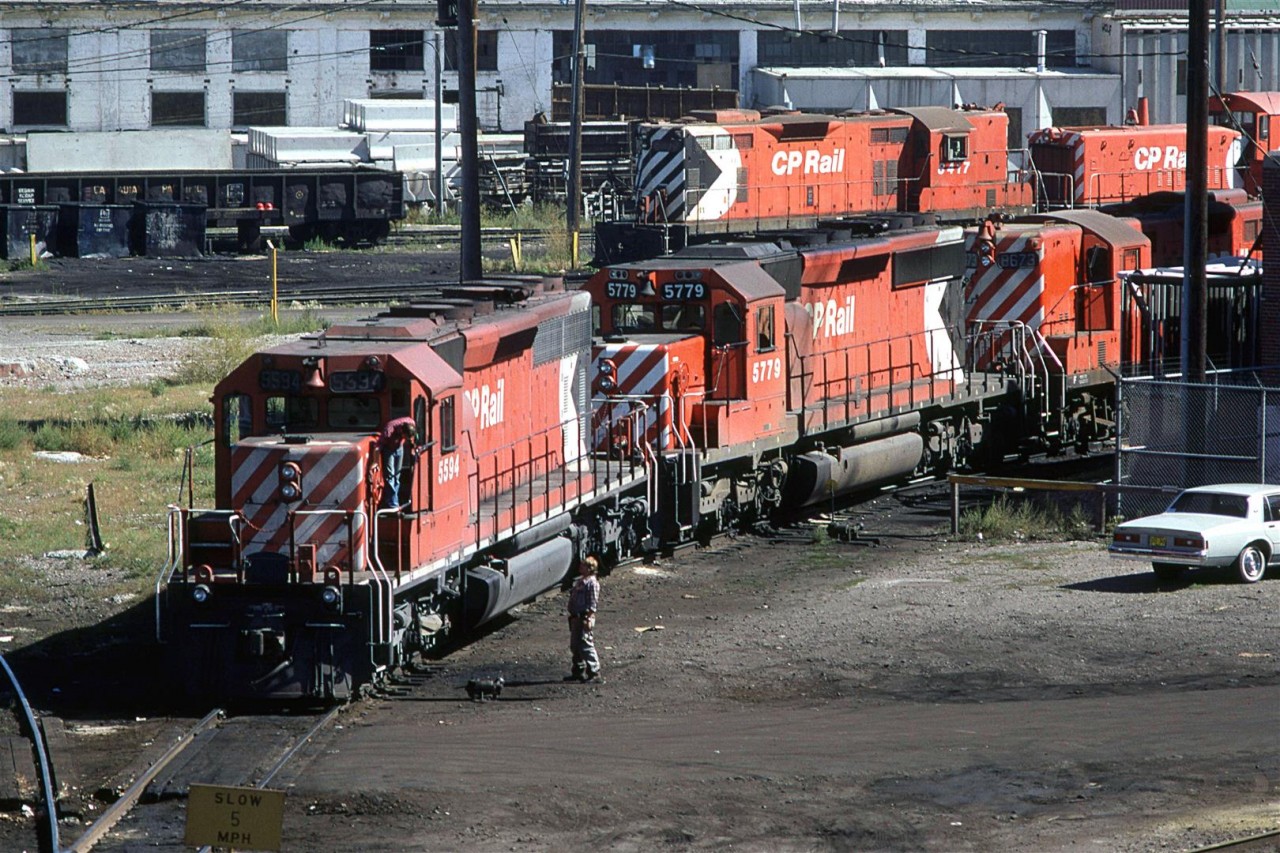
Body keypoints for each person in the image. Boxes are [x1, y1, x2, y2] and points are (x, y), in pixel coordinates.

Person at [565, 556, 602, 683]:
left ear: (590, 568)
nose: (580, 567)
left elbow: (593, 603)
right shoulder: (581, 581)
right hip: (576, 617)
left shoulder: (592, 583)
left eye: (583, 565)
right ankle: (578, 670)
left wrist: (588, 617)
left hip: (583, 617)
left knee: (586, 644)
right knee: (575, 645)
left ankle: (594, 672)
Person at [378, 415, 417, 509]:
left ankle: (395, 500)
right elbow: (379, 445)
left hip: (399, 449)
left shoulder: (410, 422)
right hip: (389, 449)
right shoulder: (389, 430)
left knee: (397, 476)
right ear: (401, 432)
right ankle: (392, 503)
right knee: (390, 476)